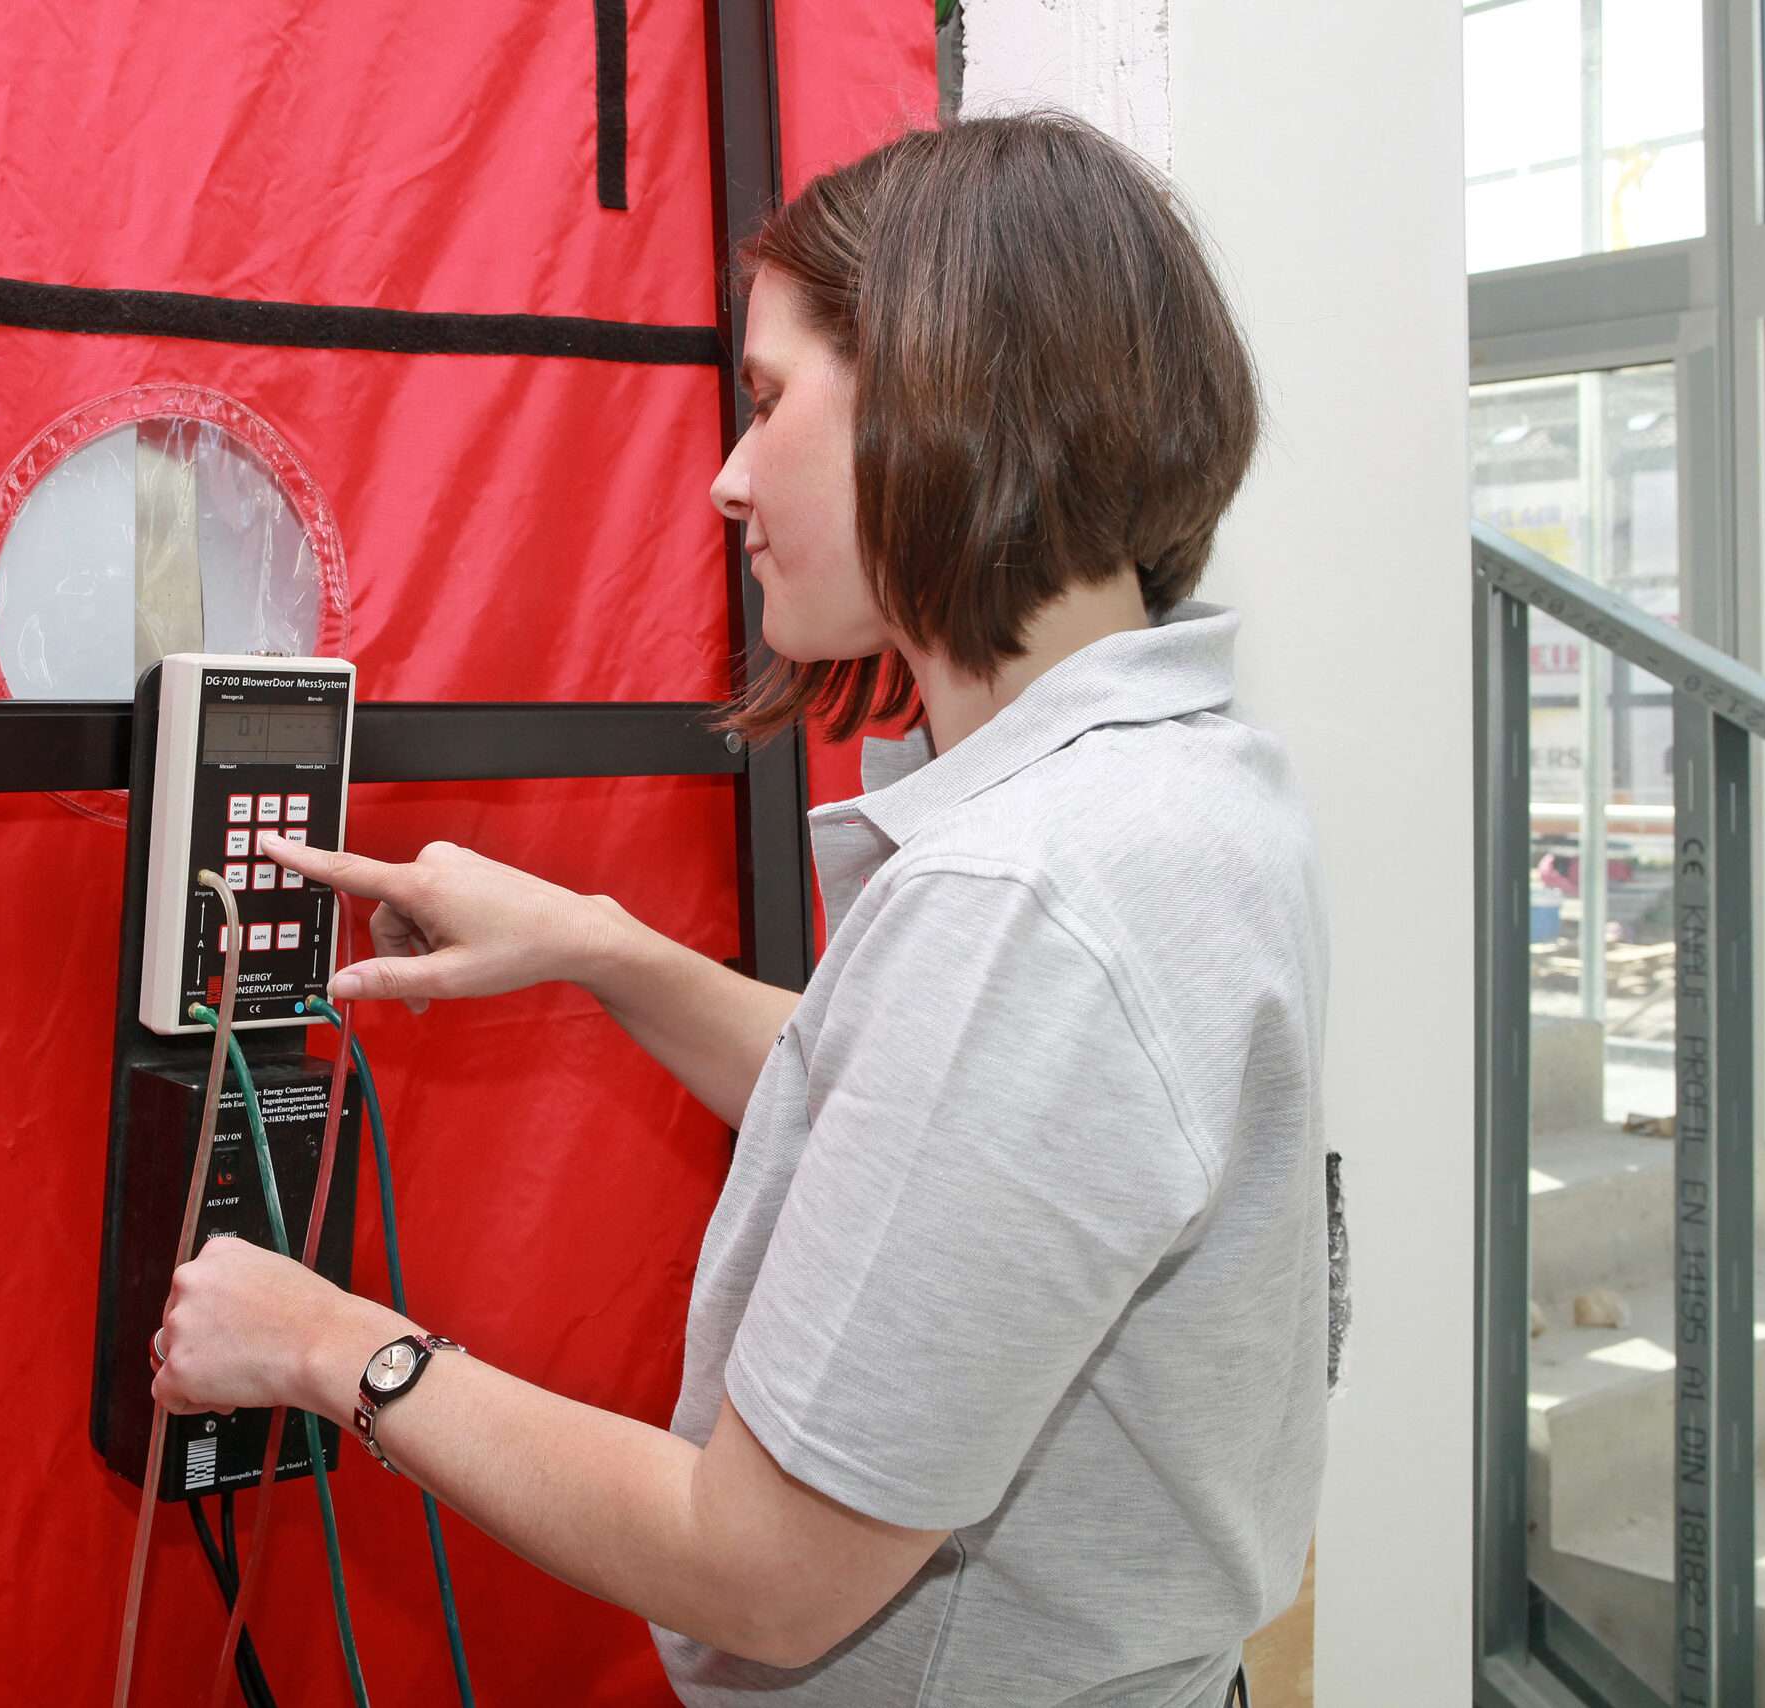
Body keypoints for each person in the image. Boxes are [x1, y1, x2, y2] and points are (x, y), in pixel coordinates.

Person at [153, 111, 1328, 1708]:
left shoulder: (1026, 895)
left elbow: (760, 1569)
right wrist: (606, 951)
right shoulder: (1179, 790)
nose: (723, 476)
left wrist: (326, 1344)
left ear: (941, 398)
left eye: (768, 401)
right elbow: (964, 1156)